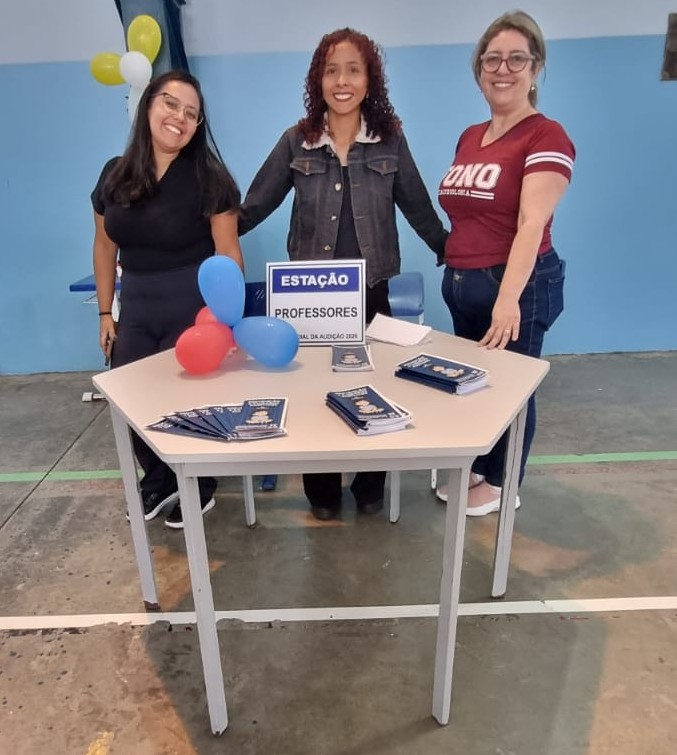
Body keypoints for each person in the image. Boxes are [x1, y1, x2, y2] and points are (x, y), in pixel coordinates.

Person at [239, 27, 448, 521]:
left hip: (372, 291)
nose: (342, 81)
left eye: (353, 70)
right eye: (331, 70)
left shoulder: (390, 142)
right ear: (318, 79)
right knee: (315, 391)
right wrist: (210, 229)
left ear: (369, 80)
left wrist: (450, 249)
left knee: (375, 388)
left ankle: (370, 484)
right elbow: (254, 205)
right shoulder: (297, 141)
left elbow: (417, 205)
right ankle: (323, 492)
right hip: (311, 297)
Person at [92, 70, 244, 529]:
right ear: (149, 106)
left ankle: (200, 484)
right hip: (136, 308)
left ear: (198, 126)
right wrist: (105, 312)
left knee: (188, 406)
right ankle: (158, 481)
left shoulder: (211, 178)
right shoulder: (114, 174)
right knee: (131, 403)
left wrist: (226, 323)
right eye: (171, 104)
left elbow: (229, 252)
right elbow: (104, 245)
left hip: (191, 309)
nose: (179, 117)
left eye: (191, 113)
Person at [437, 10, 575, 516]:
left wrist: (508, 299)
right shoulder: (471, 135)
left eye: (517, 59)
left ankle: (502, 483)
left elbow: (531, 222)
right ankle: (480, 464)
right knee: (477, 383)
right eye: (492, 59)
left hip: (516, 286)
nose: (503, 69)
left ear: (535, 68)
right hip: (465, 284)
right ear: (479, 69)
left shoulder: (546, 136)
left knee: (512, 390)